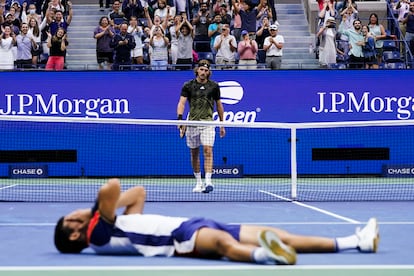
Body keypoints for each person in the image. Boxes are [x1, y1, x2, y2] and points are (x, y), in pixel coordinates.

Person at [54, 178, 380, 264]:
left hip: (192, 222)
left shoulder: (115, 227)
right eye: (70, 220)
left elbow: (137, 192)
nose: (74, 215)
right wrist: (92, 210)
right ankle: (265, 256)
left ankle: (355, 242)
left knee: (276, 232)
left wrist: (102, 210)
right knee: (225, 245)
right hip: (179, 240)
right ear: (74, 236)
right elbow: (109, 187)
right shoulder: (97, 236)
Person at [176, 59, 225, 193]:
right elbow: (181, 103)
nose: (203, 72)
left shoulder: (214, 86)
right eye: (201, 70)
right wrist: (180, 120)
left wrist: (222, 124)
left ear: (209, 72)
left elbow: (219, 105)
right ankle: (198, 182)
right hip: (192, 123)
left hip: (208, 123)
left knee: (208, 150)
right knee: (194, 153)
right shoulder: (188, 85)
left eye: (206, 70)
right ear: (197, 70)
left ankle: (208, 181)